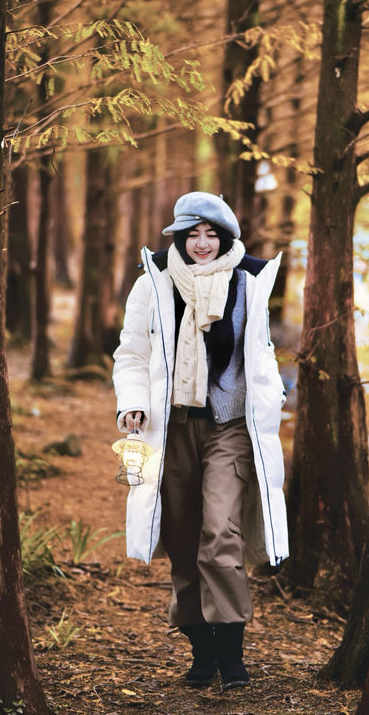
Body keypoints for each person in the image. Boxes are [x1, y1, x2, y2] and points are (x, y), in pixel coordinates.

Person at [112, 191, 289, 689]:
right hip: (172, 428)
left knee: (221, 535)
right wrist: (132, 401)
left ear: (226, 238)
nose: (203, 244)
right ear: (179, 237)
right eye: (193, 234)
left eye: (212, 234)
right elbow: (130, 354)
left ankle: (231, 650)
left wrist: (270, 397)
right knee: (184, 540)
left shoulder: (250, 283)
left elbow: (260, 355)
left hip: (229, 427)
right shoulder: (155, 285)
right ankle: (201, 647)